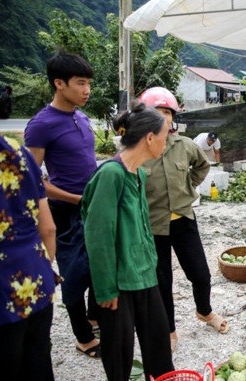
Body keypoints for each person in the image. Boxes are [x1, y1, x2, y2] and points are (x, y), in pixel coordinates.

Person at [82, 102, 174, 380]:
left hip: (144, 272)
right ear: (149, 138)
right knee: (120, 351)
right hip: (119, 282)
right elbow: (98, 236)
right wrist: (105, 289)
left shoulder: (140, 173)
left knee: (159, 344)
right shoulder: (111, 175)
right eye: (165, 134)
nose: (166, 140)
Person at [24, 51, 101, 358]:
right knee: (74, 277)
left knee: (100, 266)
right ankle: (83, 337)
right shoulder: (41, 124)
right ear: (59, 83)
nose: (87, 90)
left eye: (88, 83)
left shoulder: (80, 116)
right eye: (80, 83)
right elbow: (32, 180)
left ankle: (93, 319)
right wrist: (76, 199)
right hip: (67, 213)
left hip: (93, 207)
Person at [139, 87, 227, 354]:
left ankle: (205, 312)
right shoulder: (139, 148)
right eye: (157, 112)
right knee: (162, 281)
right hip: (153, 225)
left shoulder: (185, 145)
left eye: (167, 112)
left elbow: (203, 165)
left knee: (201, 274)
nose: (163, 117)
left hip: (183, 219)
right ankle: (168, 329)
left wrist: (189, 185)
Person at [0, 134, 57, 380]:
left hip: (1, 292)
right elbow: (48, 228)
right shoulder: (17, 151)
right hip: (36, 279)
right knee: (38, 363)